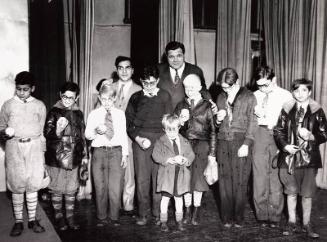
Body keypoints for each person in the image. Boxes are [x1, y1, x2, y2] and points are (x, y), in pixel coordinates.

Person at [274, 78, 327, 239]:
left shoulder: (317, 110)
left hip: (309, 159)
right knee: (290, 192)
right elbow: (278, 131)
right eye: (296, 90)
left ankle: (306, 223)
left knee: (307, 194)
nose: (300, 94)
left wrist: (311, 136)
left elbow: (324, 134)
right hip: (289, 158)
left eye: (304, 90)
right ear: (293, 92)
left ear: (309, 92)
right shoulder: (287, 108)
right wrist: (285, 146)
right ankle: (291, 222)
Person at [0, 71, 46, 236]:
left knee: (33, 184)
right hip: (14, 147)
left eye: (25, 89)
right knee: (17, 185)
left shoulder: (40, 105)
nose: (21, 92)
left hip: (34, 147)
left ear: (32, 88)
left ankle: (32, 220)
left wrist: (42, 153)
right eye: (18, 89)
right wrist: (5, 132)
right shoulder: (8, 105)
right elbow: (1, 128)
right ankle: (19, 221)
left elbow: (42, 132)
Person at [125, 65, 173, 226]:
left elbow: (169, 122)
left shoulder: (165, 96)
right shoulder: (135, 97)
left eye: (152, 83)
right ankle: (142, 213)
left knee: (158, 178)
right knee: (142, 179)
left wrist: (165, 143)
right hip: (141, 142)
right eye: (145, 83)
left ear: (158, 81)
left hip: (160, 141)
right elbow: (129, 124)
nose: (149, 86)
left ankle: (158, 212)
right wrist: (138, 139)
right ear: (141, 81)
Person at [215, 68, 257, 228]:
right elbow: (217, 123)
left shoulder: (249, 97)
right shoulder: (220, 96)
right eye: (223, 87)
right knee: (224, 181)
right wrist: (218, 119)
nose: (225, 90)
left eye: (228, 87)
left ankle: (238, 217)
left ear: (237, 83)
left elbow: (253, 122)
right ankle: (226, 217)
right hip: (223, 141)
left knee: (240, 180)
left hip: (241, 140)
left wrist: (246, 144)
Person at [252, 66, 293, 228]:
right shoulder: (254, 95)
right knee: (259, 174)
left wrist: (284, 144)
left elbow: (291, 123)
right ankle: (261, 214)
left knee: (275, 175)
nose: (262, 88)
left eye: (266, 85)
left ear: (274, 80)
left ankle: (275, 214)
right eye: (259, 85)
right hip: (260, 134)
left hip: (278, 134)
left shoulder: (286, 96)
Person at [44, 82, 88, 231]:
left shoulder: (79, 113)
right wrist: (57, 130)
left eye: (71, 97)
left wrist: (85, 155)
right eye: (64, 97)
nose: (67, 100)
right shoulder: (54, 112)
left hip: (74, 158)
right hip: (57, 157)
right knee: (56, 189)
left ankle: (70, 216)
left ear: (77, 97)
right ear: (60, 95)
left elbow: (82, 137)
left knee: (71, 189)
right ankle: (58, 217)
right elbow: (47, 133)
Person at [174, 74, 216, 225]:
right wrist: (180, 122)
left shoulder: (207, 106)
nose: (189, 90)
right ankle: (187, 210)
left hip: (202, 145)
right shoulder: (180, 105)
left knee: (198, 181)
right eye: (186, 87)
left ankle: (196, 212)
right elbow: (173, 129)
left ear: (199, 88)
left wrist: (212, 153)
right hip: (185, 145)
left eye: (192, 87)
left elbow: (212, 131)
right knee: (185, 180)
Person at [85, 82, 128, 227]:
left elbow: (123, 135)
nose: (107, 102)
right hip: (99, 152)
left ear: (115, 98)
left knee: (115, 187)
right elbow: (87, 135)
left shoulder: (120, 114)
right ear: (99, 98)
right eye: (104, 99)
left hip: (116, 151)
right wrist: (96, 131)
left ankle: (114, 217)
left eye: (110, 99)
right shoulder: (94, 114)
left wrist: (125, 154)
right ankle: (101, 216)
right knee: (100, 186)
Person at [152, 114, 195, 232]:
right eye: (168, 130)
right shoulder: (160, 142)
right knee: (165, 199)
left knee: (178, 199)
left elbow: (191, 154)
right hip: (167, 177)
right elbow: (155, 155)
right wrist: (167, 160)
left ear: (179, 128)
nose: (171, 133)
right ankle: (163, 221)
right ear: (164, 129)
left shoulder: (184, 141)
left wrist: (186, 160)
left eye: (174, 130)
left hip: (180, 176)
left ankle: (179, 221)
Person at [112, 56, 142, 214]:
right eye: (120, 68)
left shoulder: (139, 90)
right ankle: (114, 202)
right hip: (111, 137)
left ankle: (128, 202)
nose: (124, 71)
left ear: (132, 70)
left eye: (127, 68)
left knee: (129, 171)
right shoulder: (109, 87)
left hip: (129, 136)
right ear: (117, 70)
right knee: (114, 170)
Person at [157, 41, 209, 109]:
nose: (175, 60)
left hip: (187, 115)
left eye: (179, 56)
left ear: (184, 55)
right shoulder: (158, 70)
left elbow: (203, 91)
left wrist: (211, 104)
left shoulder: (195, 70)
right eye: (171, 57)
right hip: (163, 115)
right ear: (167, 57)